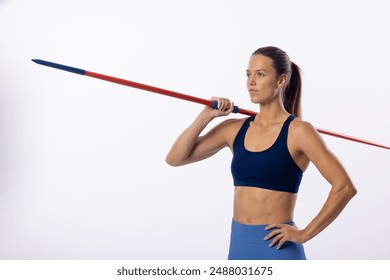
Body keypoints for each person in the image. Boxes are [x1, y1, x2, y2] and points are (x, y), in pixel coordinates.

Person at [165, 46, 357, 260]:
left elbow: (345, 187)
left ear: (281, 80)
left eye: (260, 74)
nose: (251, 82)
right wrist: (206, 115)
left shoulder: (299, 131)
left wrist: (305, 234)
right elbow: (175, 158)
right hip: (238, 245)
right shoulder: (233, 129)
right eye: (248, 74)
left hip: (277, 247)